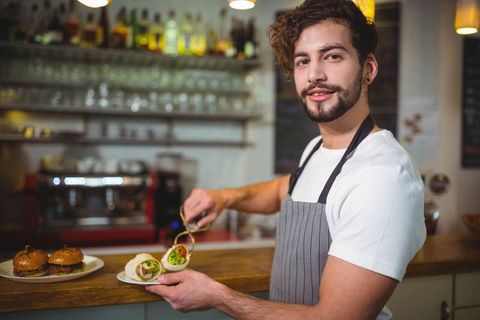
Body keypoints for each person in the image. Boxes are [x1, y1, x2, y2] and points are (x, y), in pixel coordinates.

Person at [146, 0, 426, 319]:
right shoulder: (316, 149)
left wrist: (218, 296)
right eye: (303, 61)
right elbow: (285, 190)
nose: (315, 75)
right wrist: (225, 198)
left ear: (368, 68)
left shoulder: (384, 175)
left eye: (333, 56)